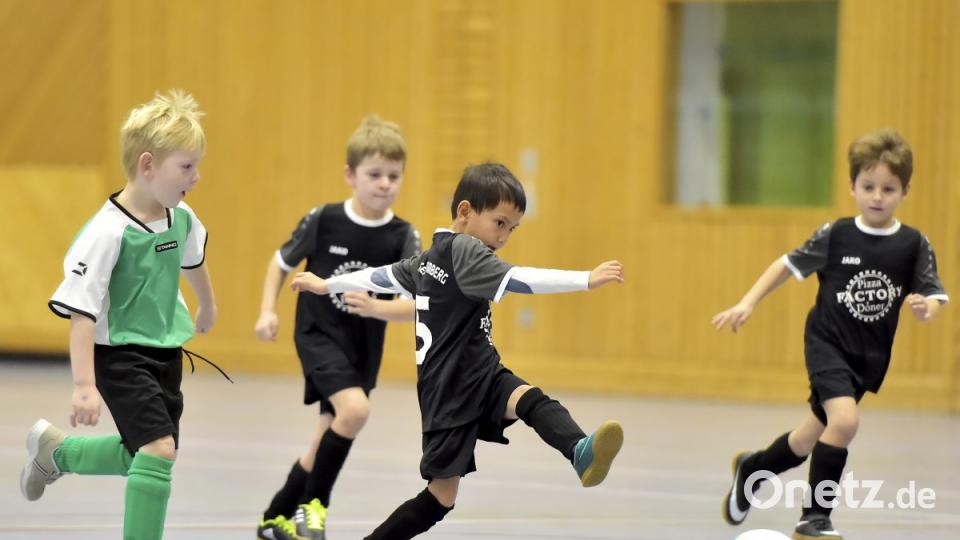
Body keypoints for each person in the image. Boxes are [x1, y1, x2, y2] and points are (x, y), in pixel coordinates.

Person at [290, 162, 626, 540]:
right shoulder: (466, 250)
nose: (504, 237)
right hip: (450, 391)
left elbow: (381, 275)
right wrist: (586, 279)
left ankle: (579, 450)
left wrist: (328, 284)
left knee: (529, 399)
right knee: (440, 498)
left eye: (512, 229)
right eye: (500, 223)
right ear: (465, 212)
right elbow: (518, 279)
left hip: (479, 370)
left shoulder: (432, 257)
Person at [712, 129, 948, 540]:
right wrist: (748, 302)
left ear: (905, 190)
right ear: (852, 186)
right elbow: (785, 265)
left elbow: (934, 291)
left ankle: (751, 470)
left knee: (808, 439)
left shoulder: (912, 244)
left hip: (868, 359)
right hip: (827, 345)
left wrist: (928, 308)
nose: (877, 196)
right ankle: (814, 518)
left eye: (889, 189)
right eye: (868, 186)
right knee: (845, 422)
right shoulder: (837, 235)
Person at [21, 89, 216, 540]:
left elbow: (193, 260)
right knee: (159, 450)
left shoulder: (180, 216)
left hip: (164, 349)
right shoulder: (107, 232)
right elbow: (82, 314)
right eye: (186, 167)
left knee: (143, 456)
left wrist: (207, 302)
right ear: (148, 165)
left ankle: (57, 454)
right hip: (119, 354)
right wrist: (84, 386)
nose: (197, 176)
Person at [254, 115, 420, 540]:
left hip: (363, 348)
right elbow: (280, 262)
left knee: (326, 436)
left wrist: (376, 310)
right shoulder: (324, 220)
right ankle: (315, 509)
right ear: (350, 175)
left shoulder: (403, 236)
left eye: (394, 176)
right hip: (318, 335)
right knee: (356, 411)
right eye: (375, 174)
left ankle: (274, 518)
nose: (385, 184)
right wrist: (267, 310)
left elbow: (418, 303)